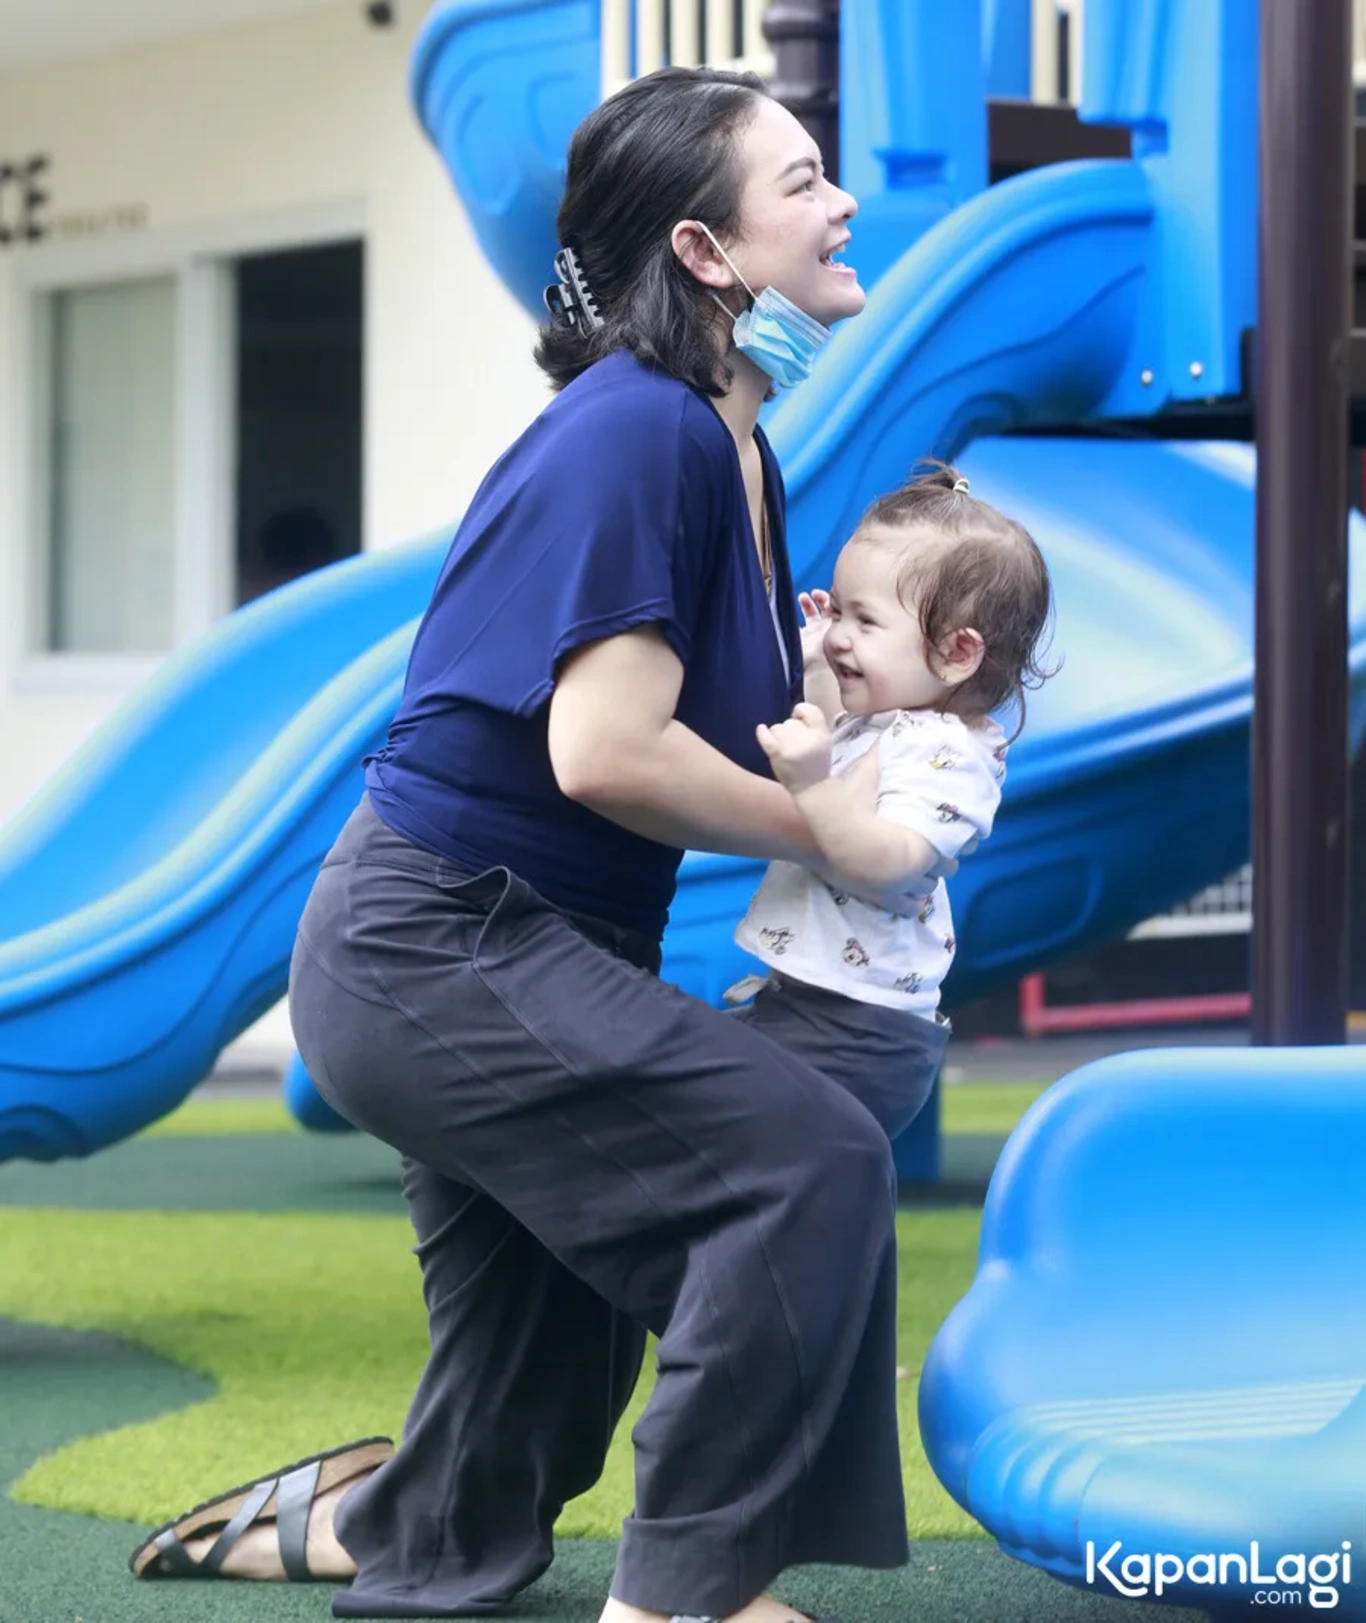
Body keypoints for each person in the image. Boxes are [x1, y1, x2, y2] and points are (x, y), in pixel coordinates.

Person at [128, 66, 930, 1623]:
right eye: (804, 181)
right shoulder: (636, 432)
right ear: (705, 253)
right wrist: (825, 828)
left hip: (520, 946)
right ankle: (686, 1593)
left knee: (538, 1394)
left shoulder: (732, 451)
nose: (843, 205)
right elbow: (604, 750)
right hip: (440, 939)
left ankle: (368, 1523)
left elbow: (701, 717)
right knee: (803, 1168)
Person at [724, 465, 1055, 1142]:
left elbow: (891, 858)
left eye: (864, 620)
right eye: (837, 611)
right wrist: (820, 676)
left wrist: (811, 785)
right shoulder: (887, 722)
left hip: (854, 1035)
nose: (840, 632)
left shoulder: (948, 753)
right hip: (818, 1014)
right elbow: (836, 761)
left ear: (957, 653)